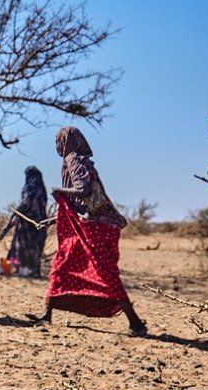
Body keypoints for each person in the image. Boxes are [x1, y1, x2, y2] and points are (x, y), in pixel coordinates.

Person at [26, 126, 147, 336]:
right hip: (89, 225)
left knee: (104, 273)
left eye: (59, 141)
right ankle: (47, 313)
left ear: (67, 142)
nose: (57, 146)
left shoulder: (72, 160)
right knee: (61, 265)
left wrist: (58, 191)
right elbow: (80, 204)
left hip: (93, 228)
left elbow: (84, 190)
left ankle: (135, 322)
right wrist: (51, 220)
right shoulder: (81, 162)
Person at [0, 166, 48, 277]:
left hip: (28, 224)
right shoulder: (42, 190)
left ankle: (21, 269)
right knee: (35, 247)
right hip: (40, 223)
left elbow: (25, 204)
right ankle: (32, 270)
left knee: (22, 246)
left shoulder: (30, 187)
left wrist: (12, 219)